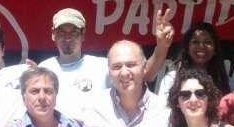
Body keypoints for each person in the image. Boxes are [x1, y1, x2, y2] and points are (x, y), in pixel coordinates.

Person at [40, 7, 174, 120]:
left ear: (83, 34)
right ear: (53, 34)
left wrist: (162, 46)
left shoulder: (100, 66)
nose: (67, 38)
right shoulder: (44, 69)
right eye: (61, 32)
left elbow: (144, 74)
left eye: (74, 32)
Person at [155, 21, 232, 96]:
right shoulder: (172, 79)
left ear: (215, 50)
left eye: (207, 42)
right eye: (195, 42)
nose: (201, 46)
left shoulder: (227, 82)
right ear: (187, 48)